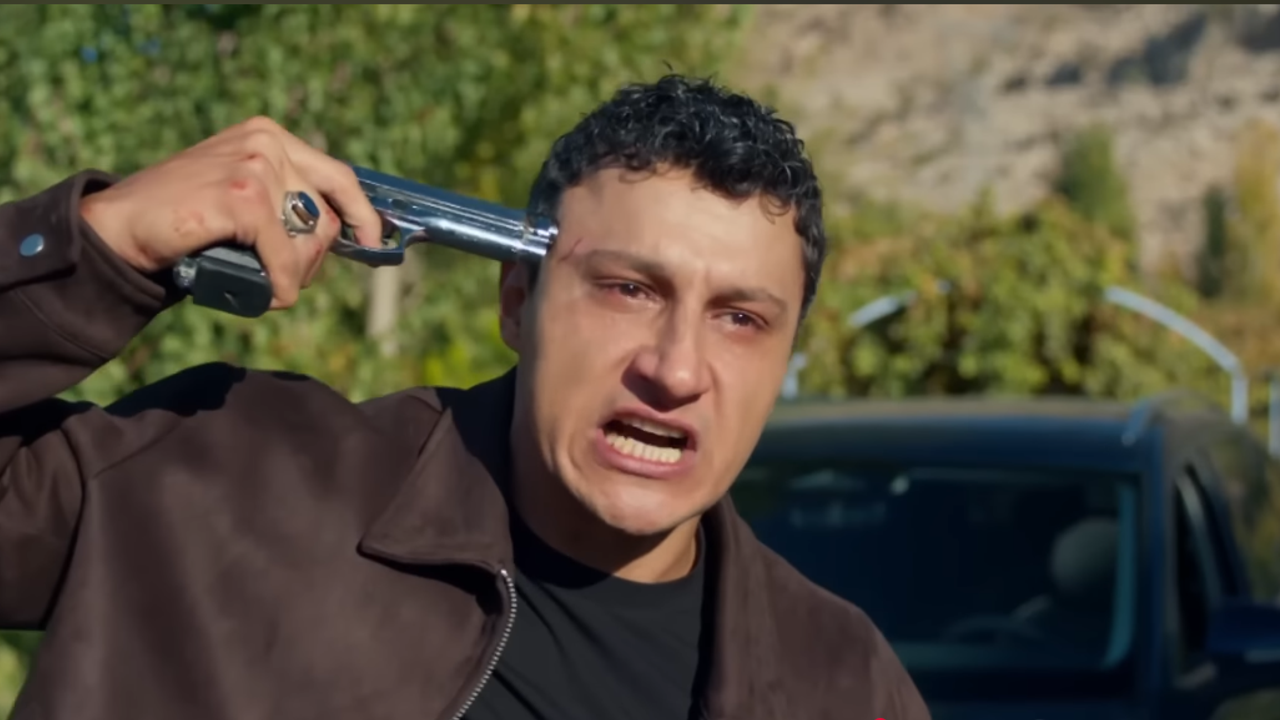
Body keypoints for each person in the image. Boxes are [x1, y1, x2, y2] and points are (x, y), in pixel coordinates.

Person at [0, 75, 929, 720]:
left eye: (740, 318)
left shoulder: (842, 684)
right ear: (517, 303)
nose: (676, 370)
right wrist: (98, 244)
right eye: (628, 289)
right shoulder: (229, 479)